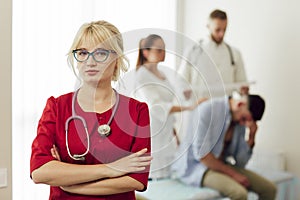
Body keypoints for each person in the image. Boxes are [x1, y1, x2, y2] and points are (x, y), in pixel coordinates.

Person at [30, 20, 152, 200]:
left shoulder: (137, 111)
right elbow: (40, 171)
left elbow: (136, 180)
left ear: (117, 60)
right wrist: (113, 168)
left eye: (101, 53)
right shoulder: (56, 107)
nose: (90, 61)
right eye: (83, 53)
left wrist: (68, 183)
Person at [171, 94, 277, 200]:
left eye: (247, 122)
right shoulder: (208, 109)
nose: (243, 123)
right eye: (244, 119)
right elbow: (202, 156)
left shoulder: (238, 121)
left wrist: (251, 137)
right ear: (240, 104)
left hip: (220, 165)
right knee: (240, 194)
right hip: (197, 167)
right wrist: (234, 175)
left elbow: (240, 162)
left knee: (269, 189)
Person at [134, 34, 207, 180]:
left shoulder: (162, 73)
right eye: (159, 49)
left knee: (168, 173)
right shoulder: (141, 75)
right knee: (155, 175)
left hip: (166, 130)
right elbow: (157, 106)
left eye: (164, 49)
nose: (163, 52)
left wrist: (175, 134)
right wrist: (189, 107)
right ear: (146, 52)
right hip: (153, 130)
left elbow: (170, 99)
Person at [178, 9, 249, 100]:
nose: (221, 34)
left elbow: (241, 83)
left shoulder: (235, 54)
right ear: (208, 26)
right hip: (199, 108)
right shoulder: (193, 51)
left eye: (224, 29)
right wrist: (184, 93)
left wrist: (243, 90)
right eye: (218, 30)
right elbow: (181, 80)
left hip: (224, 109)